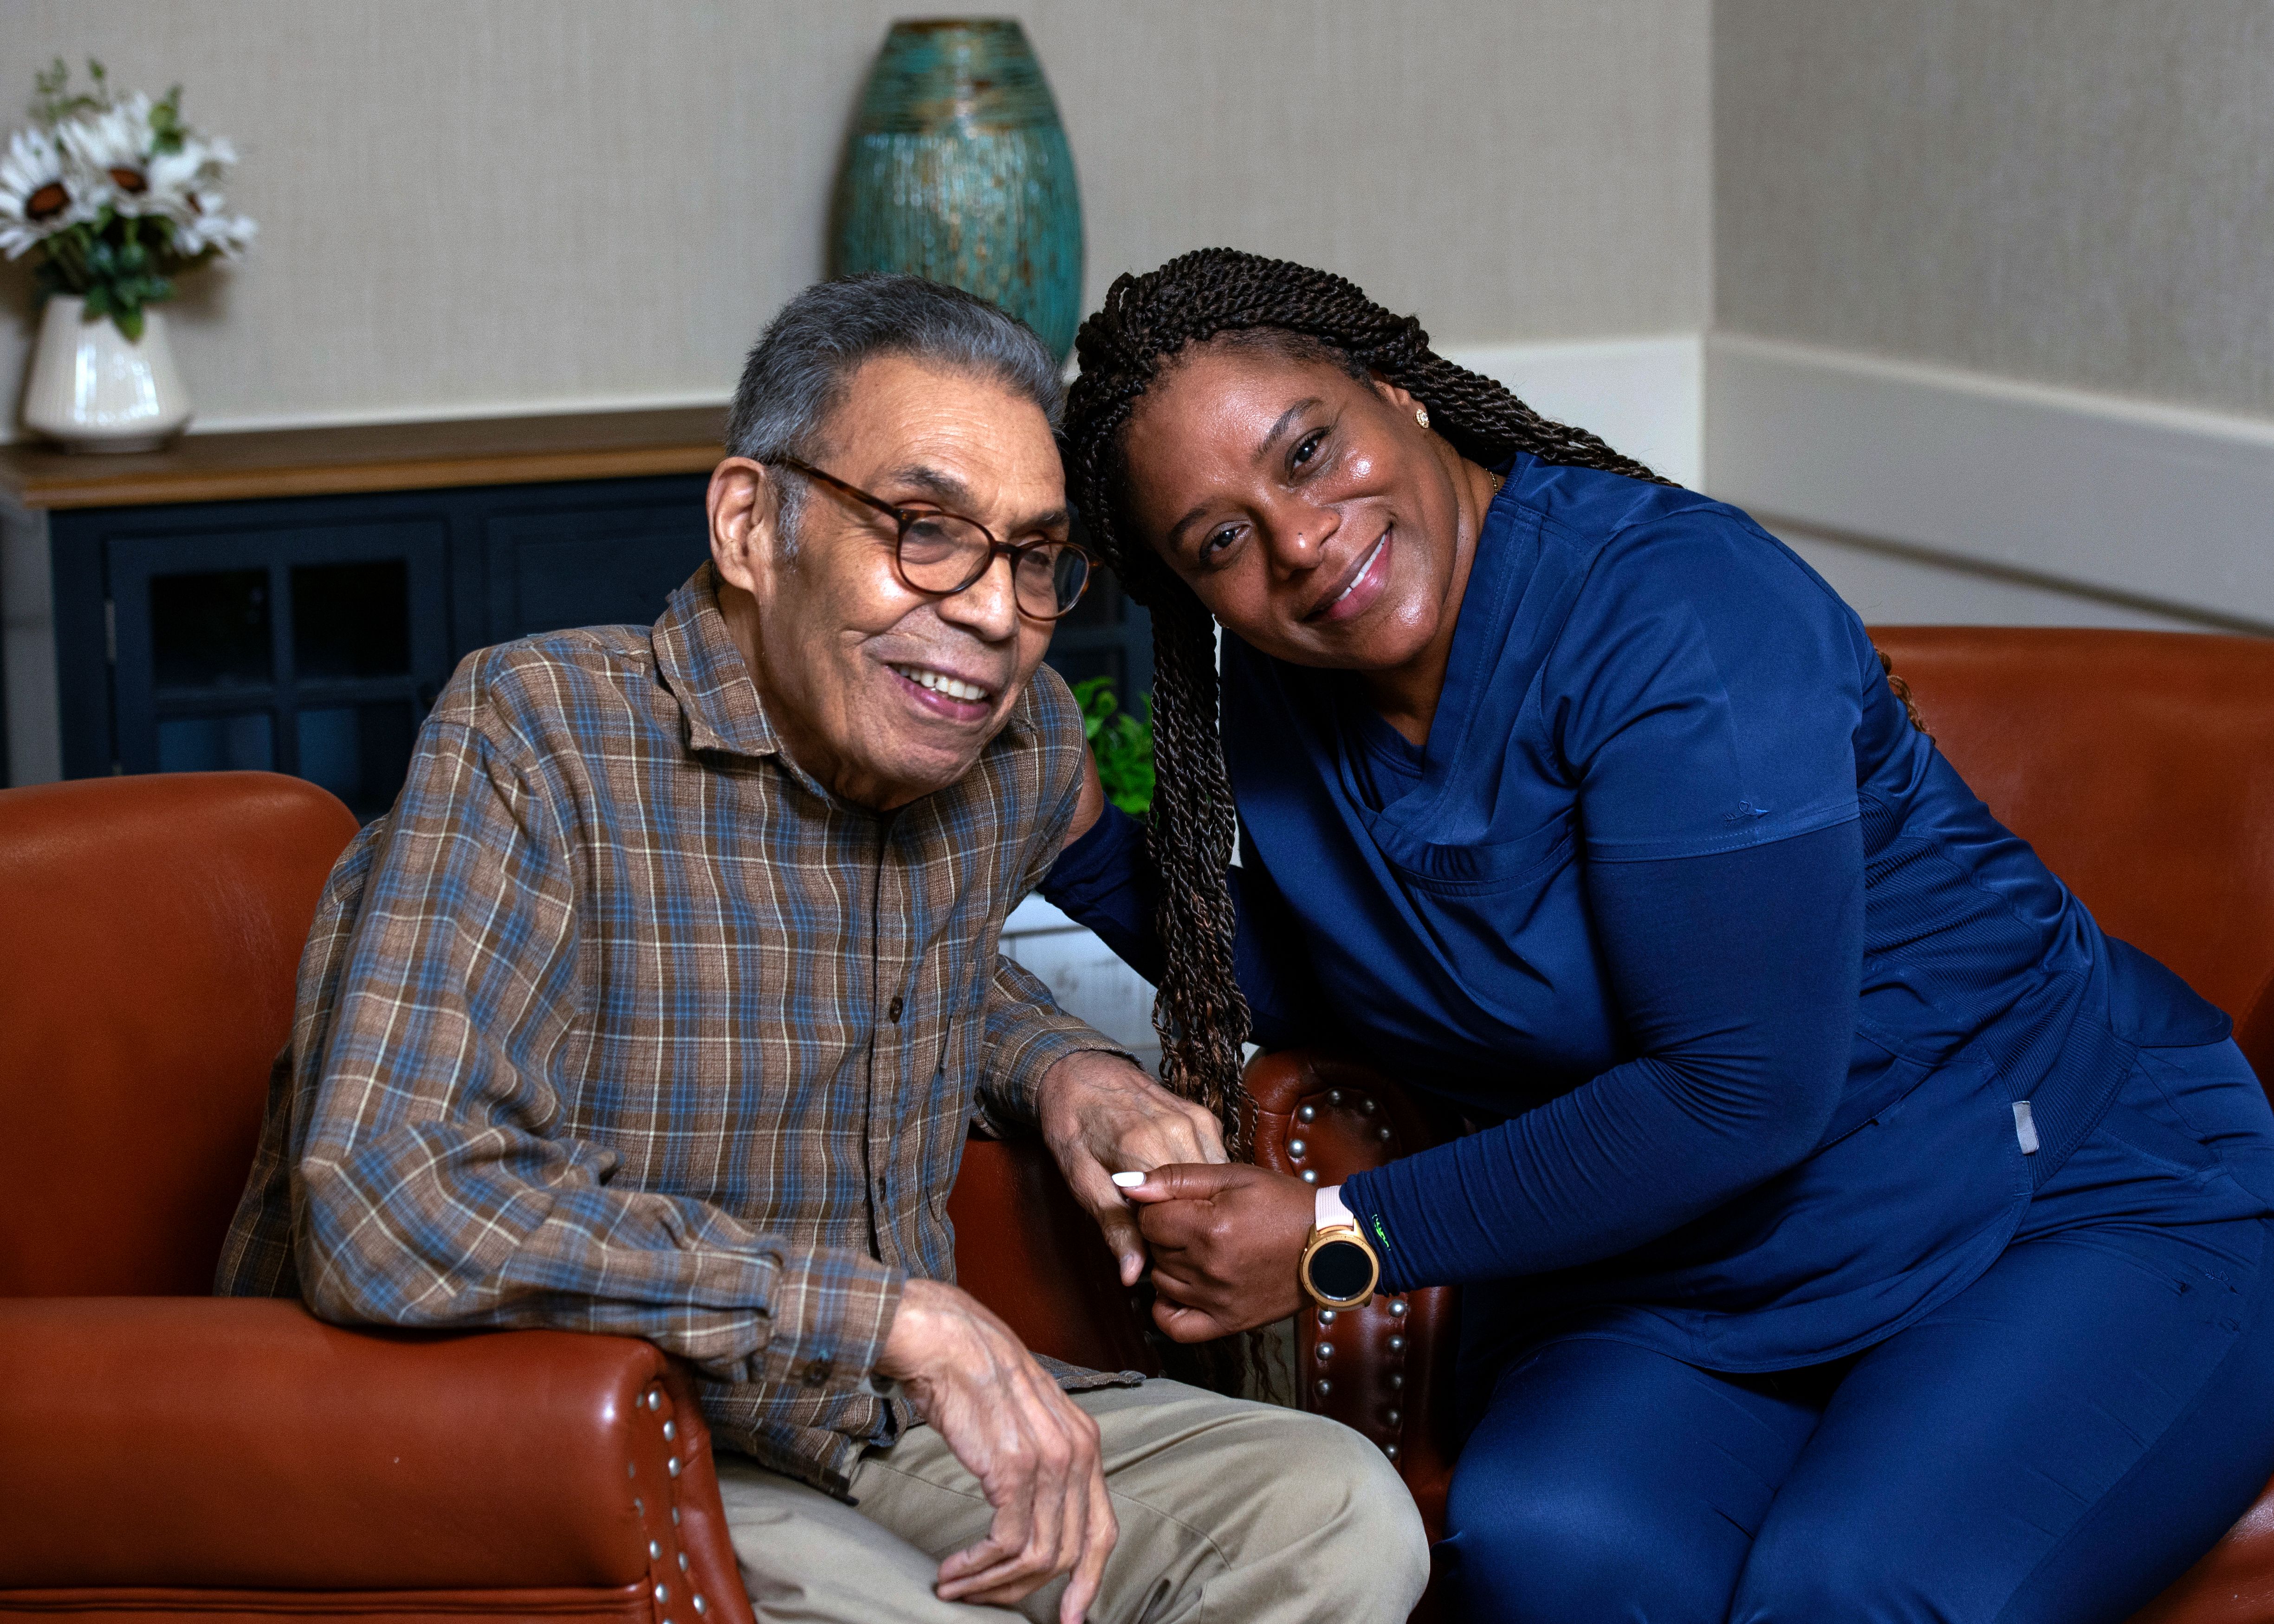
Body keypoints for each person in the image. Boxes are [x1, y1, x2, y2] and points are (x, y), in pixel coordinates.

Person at [1040, 248, 2274, 1624]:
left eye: (1309, 449)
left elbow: (1736, 1092)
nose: (1302, 540)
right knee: (1551, 1546)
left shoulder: (1676, 613)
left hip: (2053, 1201)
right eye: (1219, 538)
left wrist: (1339, 1234)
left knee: (1852, 1588)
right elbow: (1351, 974)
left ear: (1397, 390)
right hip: (1688, 1272)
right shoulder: (1288, 681)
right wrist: (1082, 837)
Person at [216, 274, 1427, 1624]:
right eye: (923, 530)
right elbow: (390, 1196)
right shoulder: (536, 733)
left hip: (866, 1423)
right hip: (564, 1432)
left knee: (1333, 1513)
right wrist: (891, 1316)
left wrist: (1068, 1072)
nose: (991, 611)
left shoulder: (1007, 751)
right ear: (750, 523)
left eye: (1032, 555)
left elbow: (909, 971)